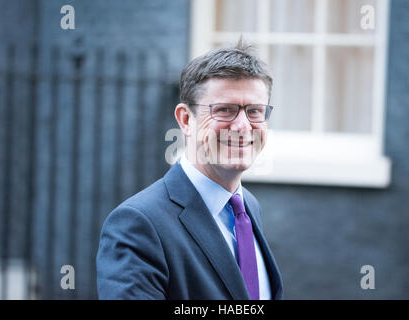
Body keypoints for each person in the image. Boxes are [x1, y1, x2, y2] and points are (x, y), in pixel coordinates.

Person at [96, 39, 283, 300]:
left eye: (254, 111)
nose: (243, 126)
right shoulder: (137, 224)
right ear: (186, 119)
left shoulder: (248, 206)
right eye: (225, 110)